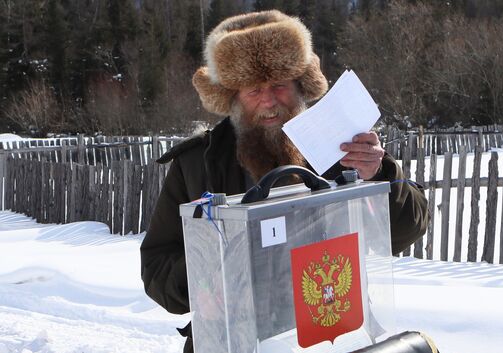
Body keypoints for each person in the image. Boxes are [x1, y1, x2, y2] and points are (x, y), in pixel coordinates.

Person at [140, 9, 428, 351]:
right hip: (232, 342)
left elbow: (408, 228)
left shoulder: (341, 146)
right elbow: (156, 263)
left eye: (279, 85)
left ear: (300, 84)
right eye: (253, 90)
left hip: (333, 332)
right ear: (233, 97)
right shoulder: (196, 163)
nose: (268, 101)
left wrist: (379, 174)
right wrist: (200, 285)